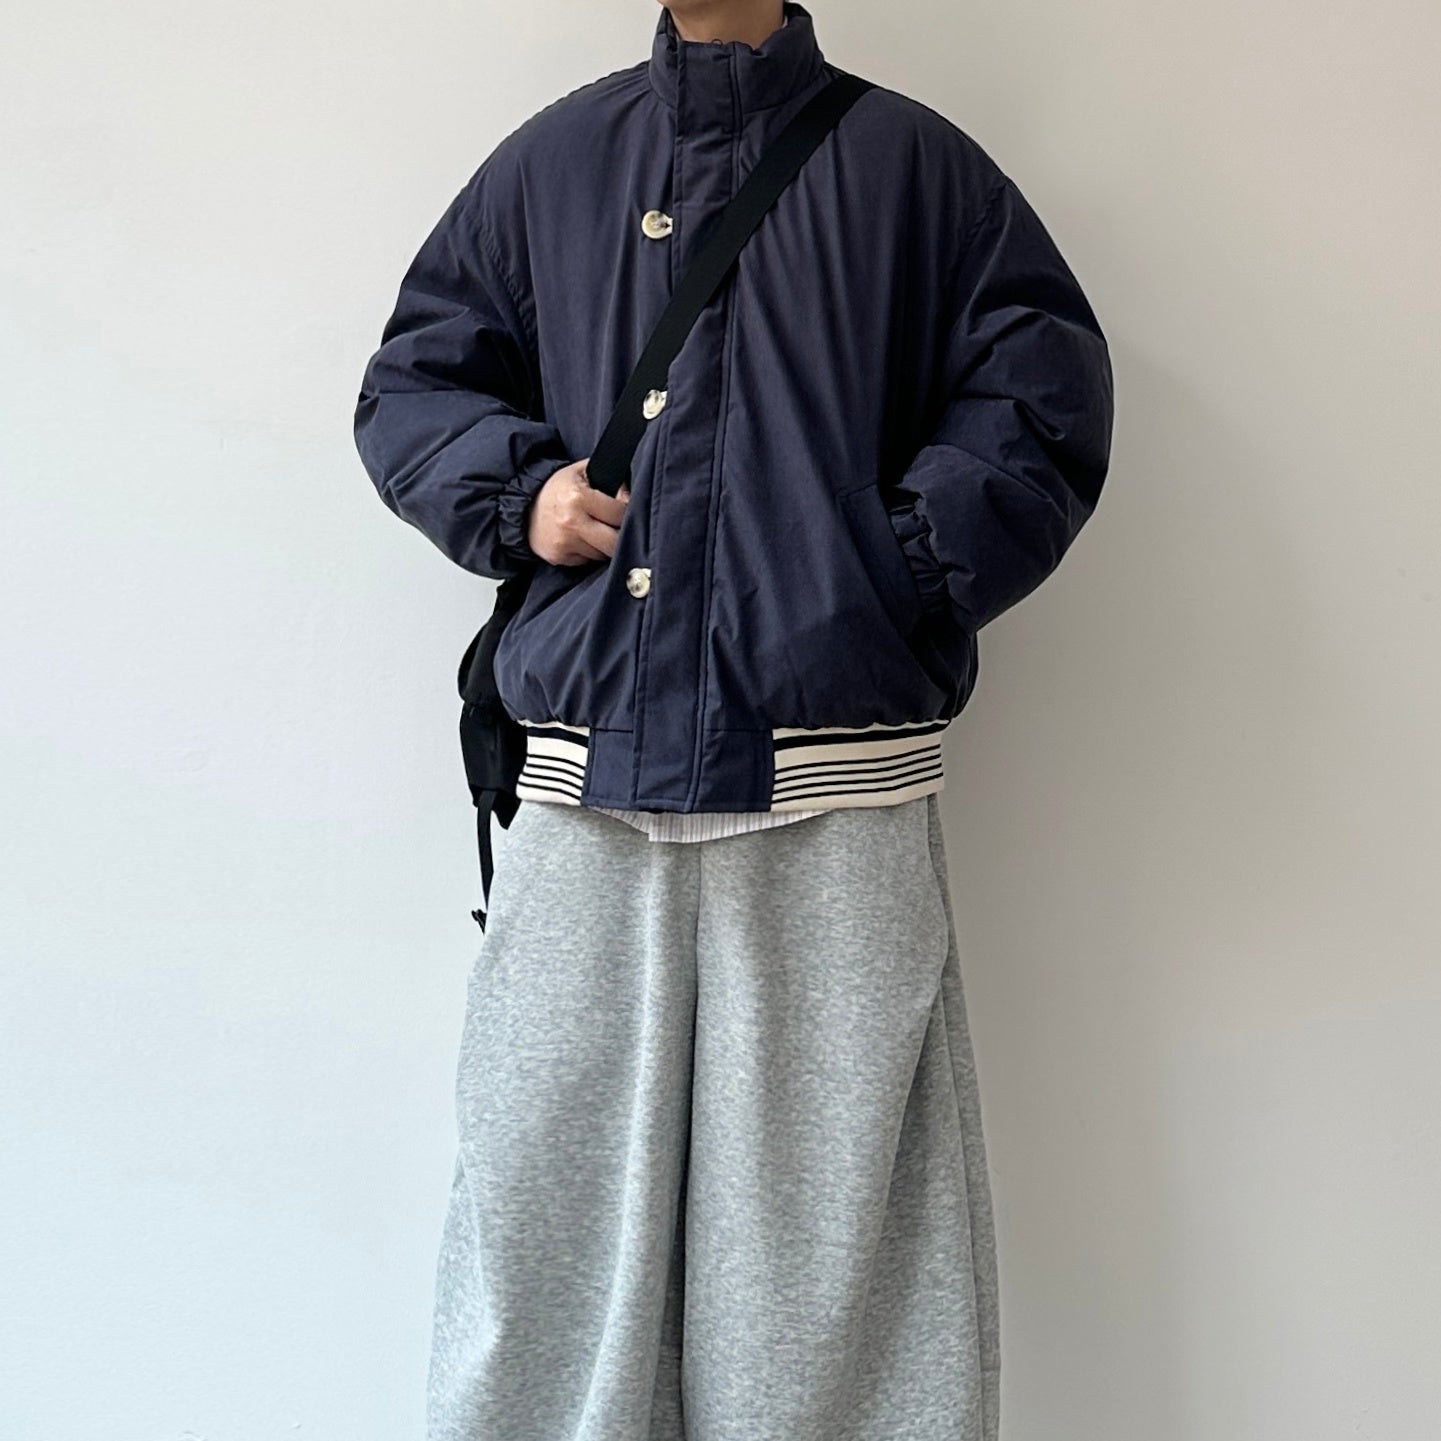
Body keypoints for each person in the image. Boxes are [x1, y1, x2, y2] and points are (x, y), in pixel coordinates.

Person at [353, 2, 1114, 1436]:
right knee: (545, 1233)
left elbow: (1042, 400)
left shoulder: (918, 170)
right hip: (587, 783)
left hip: (831, 784)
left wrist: (878, 573)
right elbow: (416, 381)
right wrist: (519, 493)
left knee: (831, 1260)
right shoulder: (552, 164)